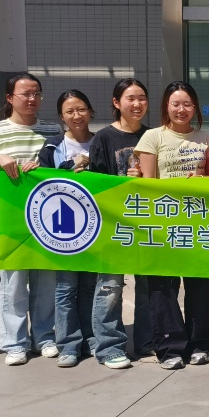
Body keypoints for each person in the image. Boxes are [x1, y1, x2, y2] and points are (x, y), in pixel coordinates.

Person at [135, 81, 209, 370]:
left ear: (195, 107)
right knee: (163, 288)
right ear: (166, 107)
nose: (182, 110)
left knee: (199, 285)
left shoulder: (207, 138)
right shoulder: (152, 137)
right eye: (176, 104)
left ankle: (199, 344)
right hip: (164, 223)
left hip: (197, 222)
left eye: (187, 104)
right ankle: (169, 346)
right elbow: (148, 184)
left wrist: (203, 180)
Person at [0, 72, 54, 367]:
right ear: (9, 98)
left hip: (48, 221)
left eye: (36, 94)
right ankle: (15, 343)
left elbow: (62, 169)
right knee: (13, 285)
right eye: (25, 94)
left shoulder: (52, 131)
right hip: (9, 221)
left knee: (46, 283)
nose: (32, 99)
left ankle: (44, 337)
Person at [86, 78, 154, 369]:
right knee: (110, 287)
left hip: (147, 223)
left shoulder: (152, 136)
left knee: (148, 286)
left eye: (142, 98)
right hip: (113, 224)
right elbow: (95, 185)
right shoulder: (104, 138)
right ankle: (109, 347)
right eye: (130, 98)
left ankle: (147, 342)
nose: (137, 104)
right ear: (116, 103)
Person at [37, 90, 99, 367]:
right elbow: (44, 181)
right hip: (63, 230)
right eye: (70, 111)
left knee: (90, 287)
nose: (77, 116)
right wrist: (70, 165)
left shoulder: (101, 142)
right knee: (65, 288)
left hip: (97, 226)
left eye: (82, 109)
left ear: (91, 112)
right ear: (61, 116)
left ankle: (92, 339)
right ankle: (68, 344)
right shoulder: (52, 146)